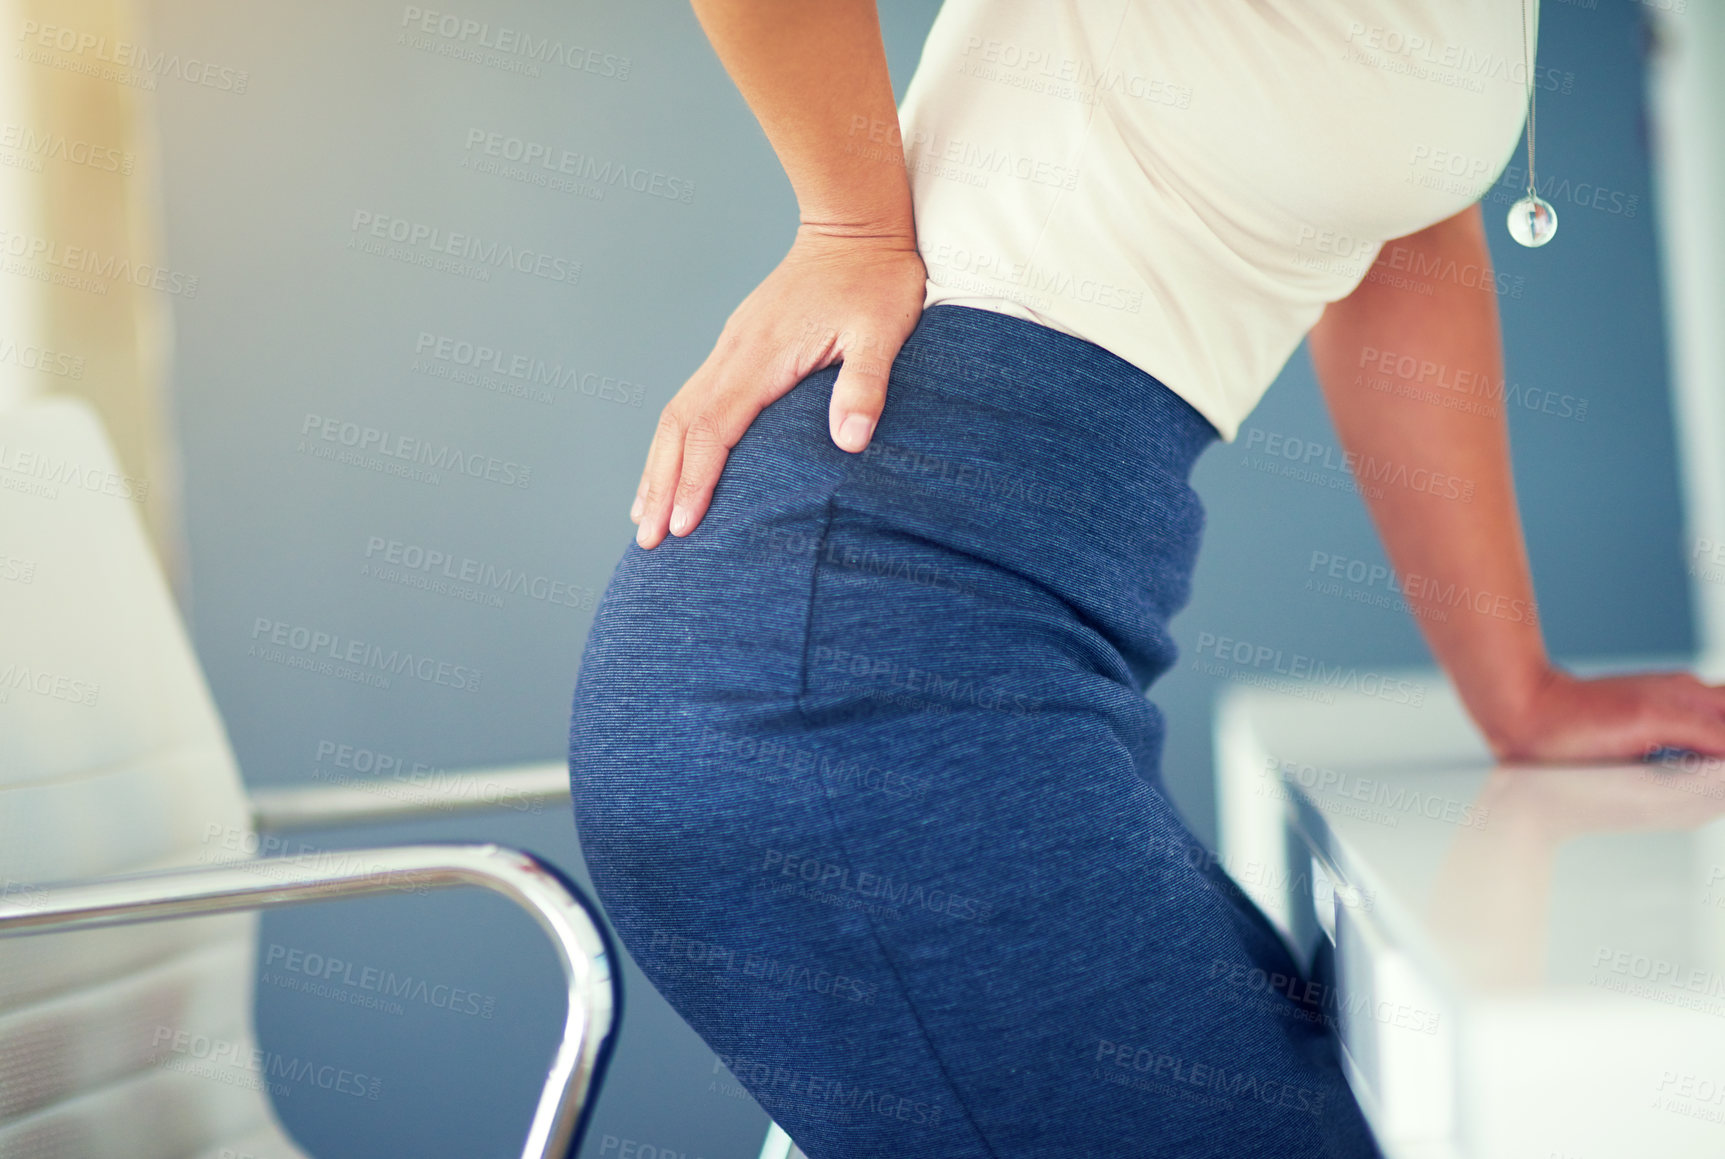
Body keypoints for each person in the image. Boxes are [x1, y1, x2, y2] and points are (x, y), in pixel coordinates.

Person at [569, 3, 1725, 1156]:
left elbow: (1410, 242)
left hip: (977, 654)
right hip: (855, 663)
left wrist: (1514, 685)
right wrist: (851, 229)